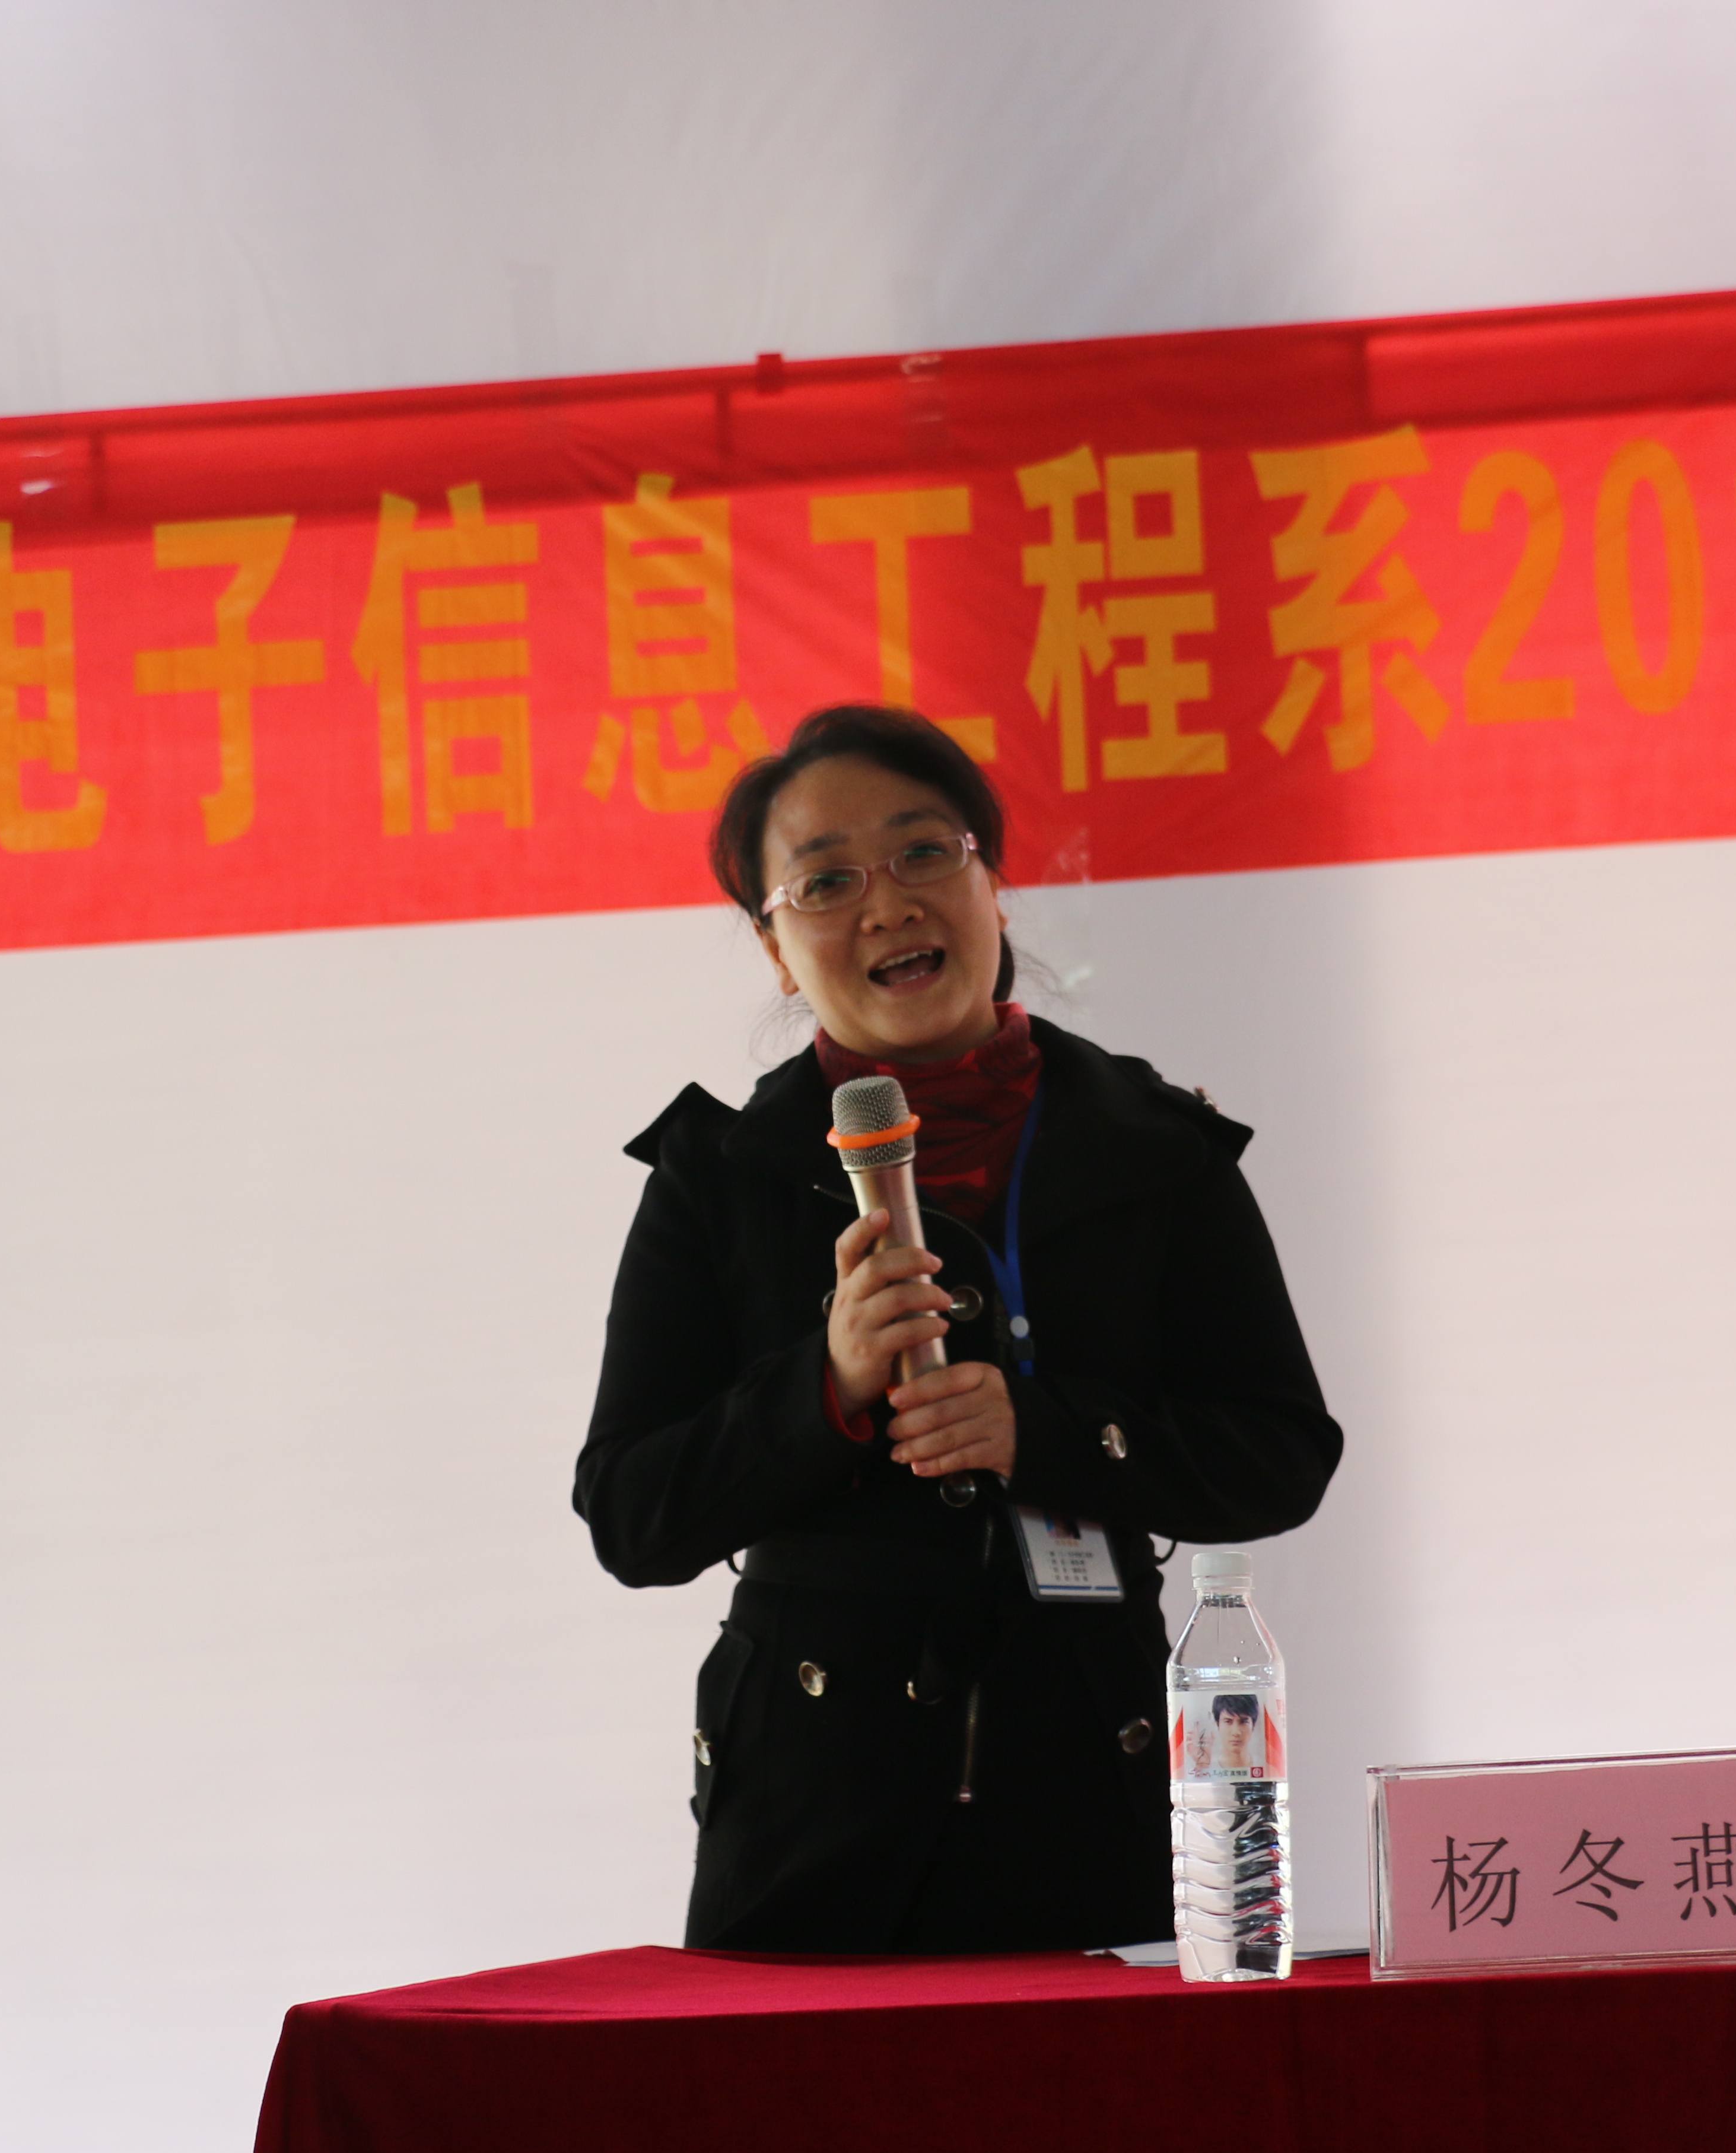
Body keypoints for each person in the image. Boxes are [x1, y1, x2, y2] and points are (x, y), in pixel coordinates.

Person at [574, 704, 1342, 1954]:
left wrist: (1046, 1431)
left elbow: (1280, 1455)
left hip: (1094, 1785)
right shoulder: (721, 1173)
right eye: (827, 882)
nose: (888, 905)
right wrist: (824, 1388)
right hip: (811, 1815)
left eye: (925, 853)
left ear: (994, 884)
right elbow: (631, 1515)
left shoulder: (1155, 1148)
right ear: (777, 950)